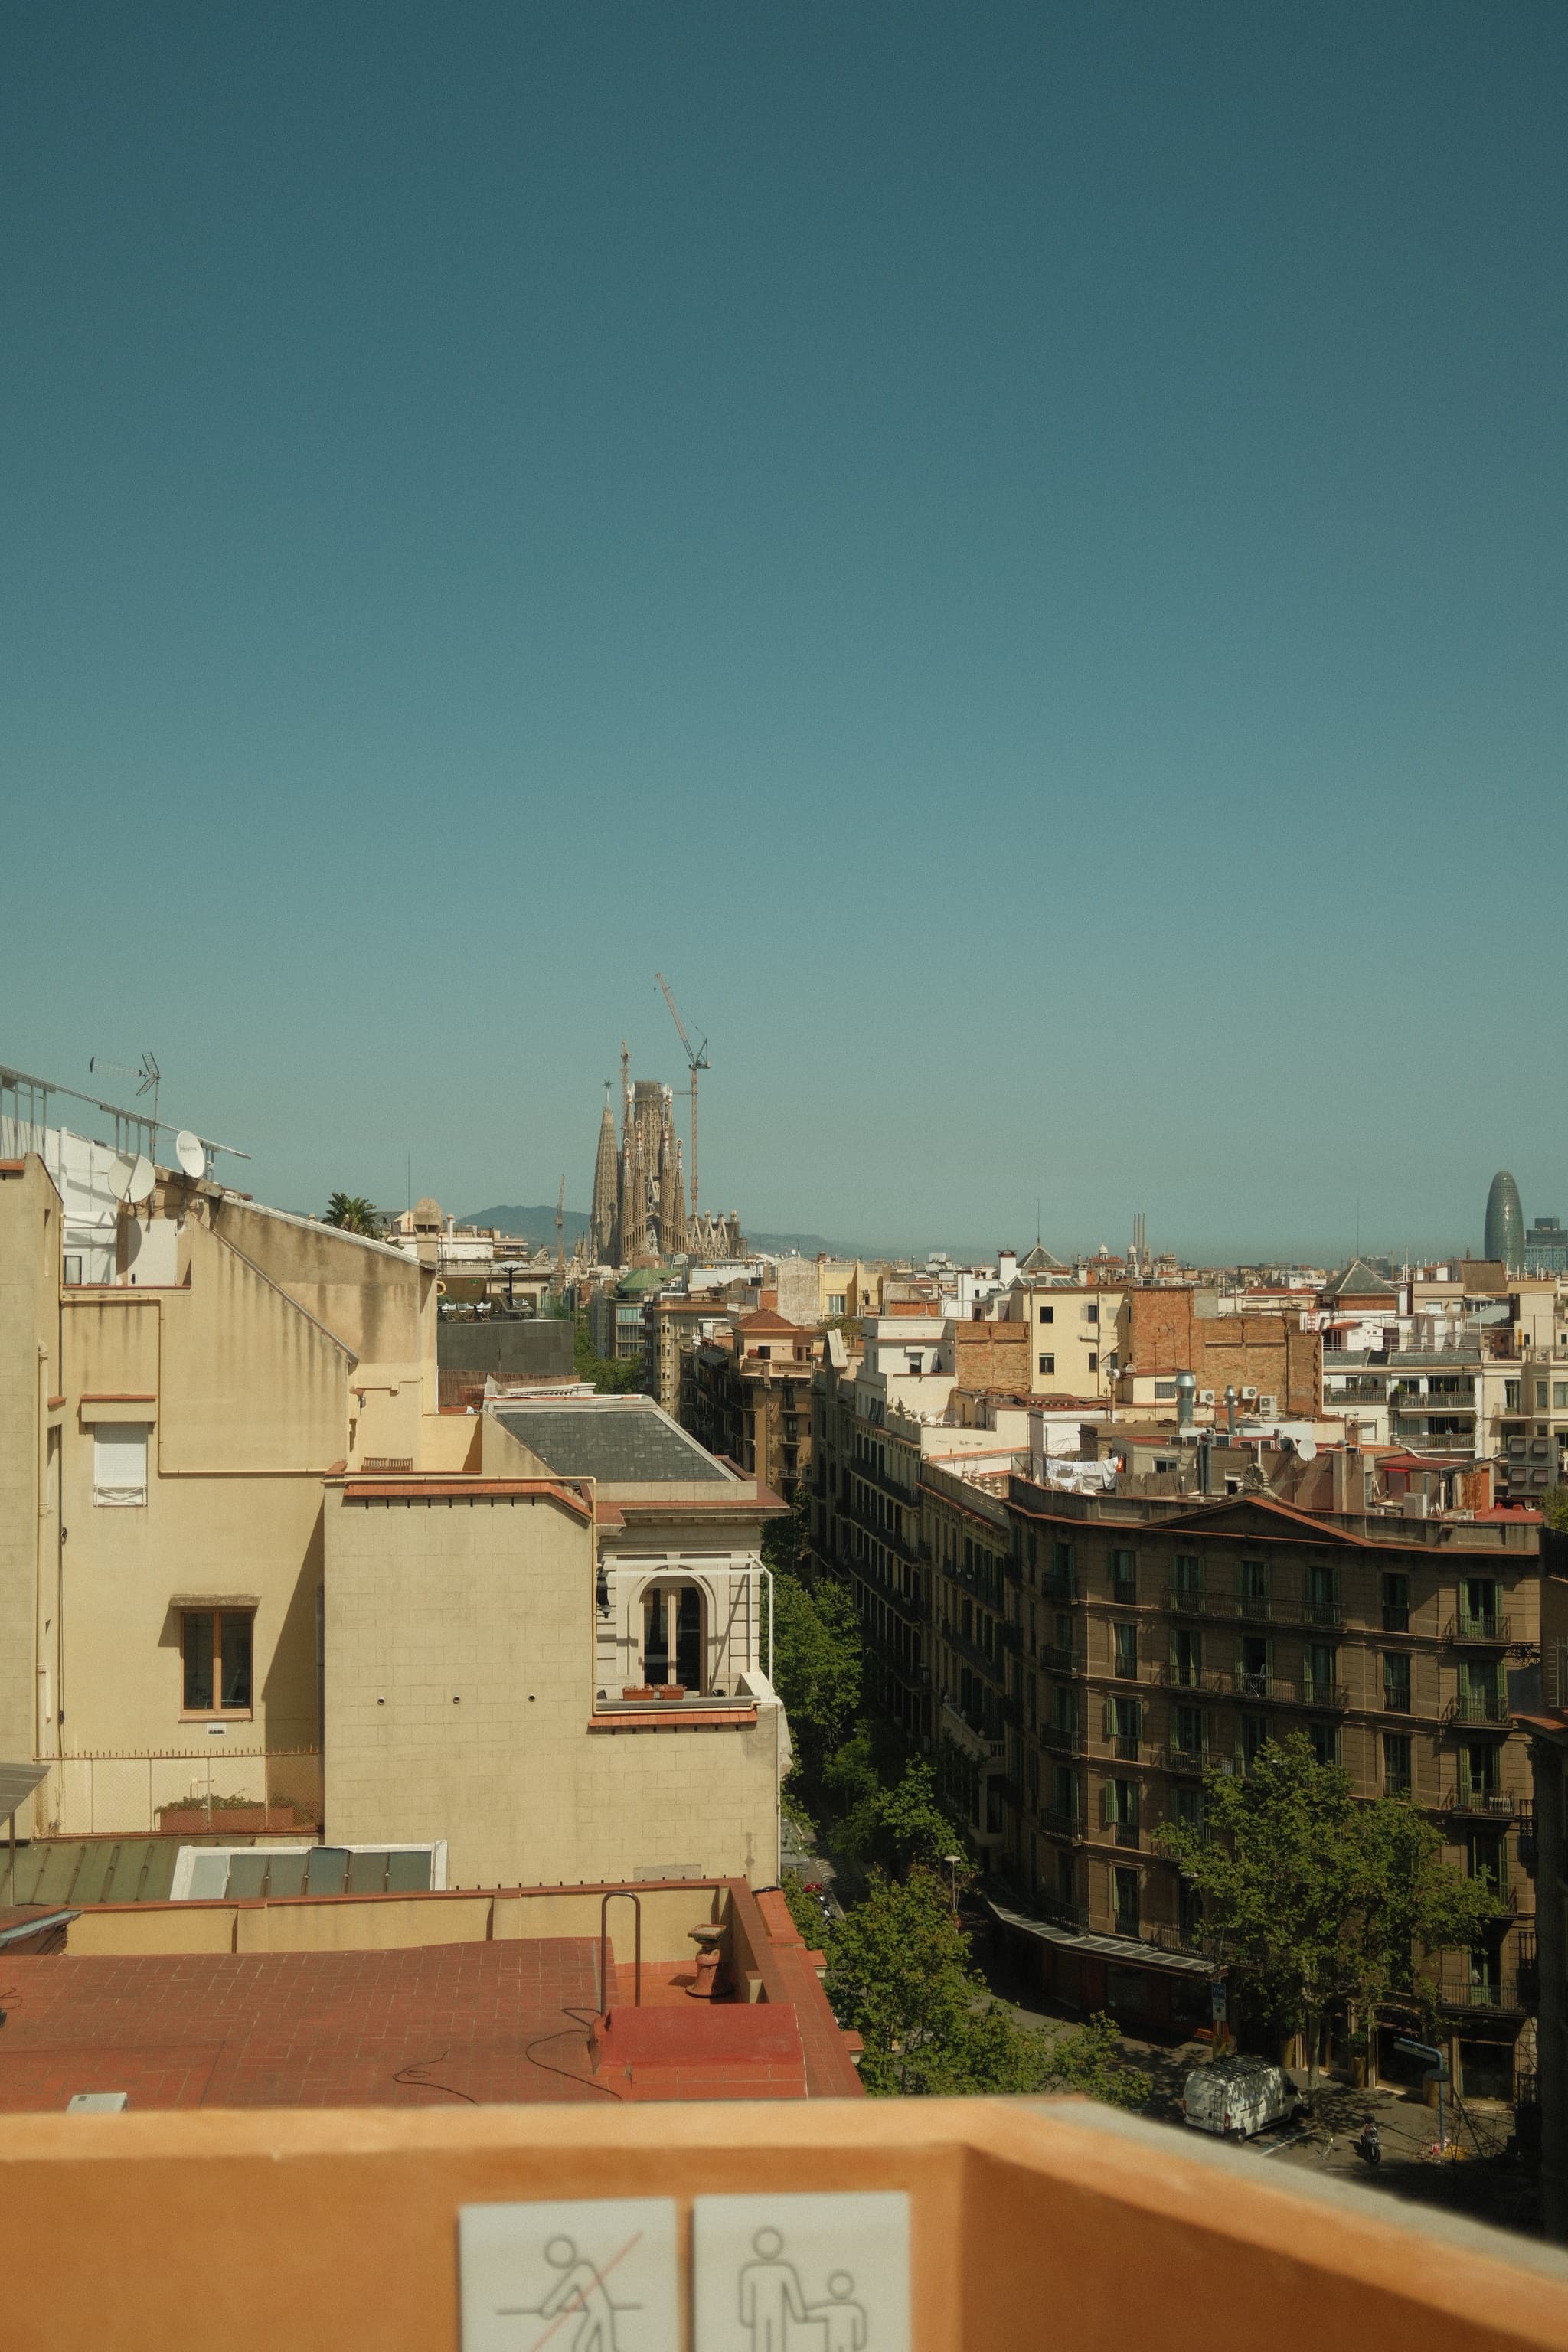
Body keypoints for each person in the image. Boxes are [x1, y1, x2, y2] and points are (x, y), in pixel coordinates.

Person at [537, 2234, 623, 2352]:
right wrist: (549, 2309)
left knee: (600, 2348)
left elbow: (564, 2290)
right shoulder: (582, 2269)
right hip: (597, 2312)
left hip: (601, 2312)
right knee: (582, 2347)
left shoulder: (581, 2269)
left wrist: (549, 2308)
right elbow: (564, 2290)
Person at [737, 2227, 807, 2352]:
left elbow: (746, 2299)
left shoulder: (751, 2271)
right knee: (776, 2341)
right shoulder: (784, 2270)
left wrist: (747, 2317)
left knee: (762, 2341)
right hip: (775, 2312)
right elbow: (794, 2295)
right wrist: (799, 2314)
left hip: (761, 2312)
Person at [808, 2271, 867, 2352]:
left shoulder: (830, 2308)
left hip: (835, 2340)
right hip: (847, 2341)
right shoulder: (855, 2309)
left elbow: (807, 2314)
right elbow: (860, 2334)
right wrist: (858, 2344)